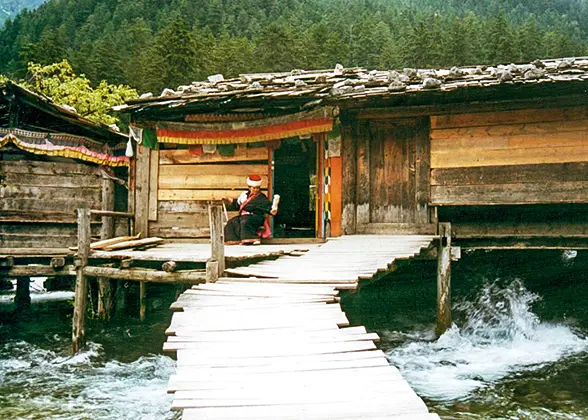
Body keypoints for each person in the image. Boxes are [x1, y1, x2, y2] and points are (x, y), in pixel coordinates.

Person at [223, 174, 277, 245]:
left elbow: (268, 207)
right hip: (244, 217)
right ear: (249, 187)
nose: (256, 190)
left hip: (256, 217)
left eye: (257, 188)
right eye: (254, 188)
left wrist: (272, 210)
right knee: (232, 222)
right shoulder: (244, 195)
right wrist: (231, 201)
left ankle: (252, 238)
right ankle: (234, 240)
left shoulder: (261, 197)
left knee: (245, 221)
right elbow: (238, 205)